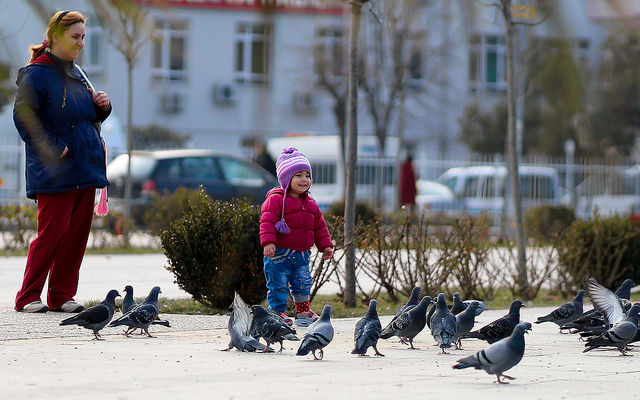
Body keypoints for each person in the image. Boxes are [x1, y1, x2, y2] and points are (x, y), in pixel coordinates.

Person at [13, 11, 111, 313]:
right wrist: (54, 149)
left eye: (83, 37)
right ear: (55, 37)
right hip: (55, 170)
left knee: (76, 235)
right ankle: (28, 296)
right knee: (53, 233)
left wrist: (101, 108)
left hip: (86, 167)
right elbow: (24, 117)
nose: (81, 43)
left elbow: (81, 118)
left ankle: (62, 295)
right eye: (75, 37)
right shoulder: (36, 73)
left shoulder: (77, 74)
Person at [259, 147, 334, 327]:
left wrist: (326, 245)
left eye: (307, 175)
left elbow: (319, 226)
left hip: (301, 255)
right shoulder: (276, 200)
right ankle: (277, 311)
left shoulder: (310, 203)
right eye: (298, 175)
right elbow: (267, 221)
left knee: (303, 283)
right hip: (279, 255)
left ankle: (303, 313)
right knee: (278, 284)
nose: (304, 180)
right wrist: (268, 242)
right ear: (286, 179)